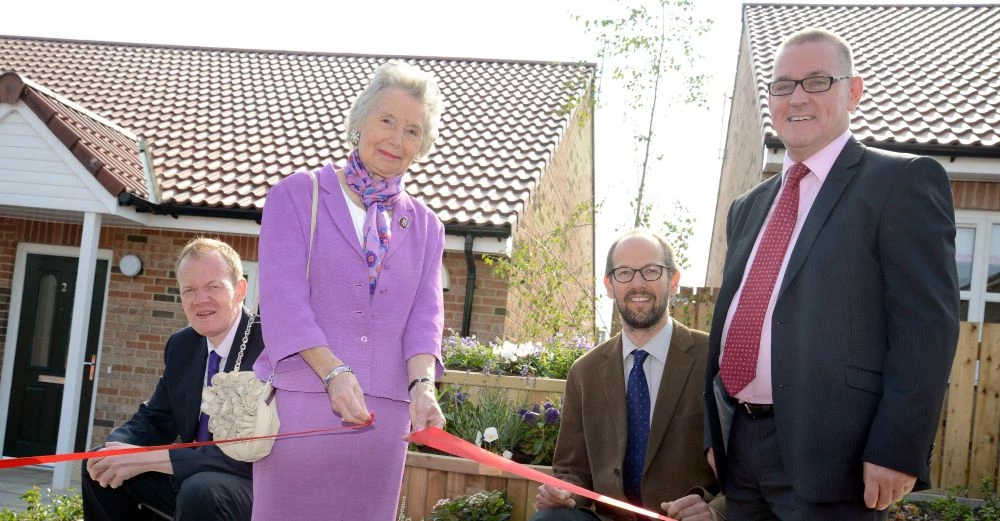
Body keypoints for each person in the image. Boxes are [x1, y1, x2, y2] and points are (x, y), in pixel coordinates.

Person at [704, 28, 960, 520]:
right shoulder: (748, 207)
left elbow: (925, 328)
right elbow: (733, 322)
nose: (797, 97)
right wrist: (716, 435)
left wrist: (897, 447)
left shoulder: (900, 182)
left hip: (835, 459)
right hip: (741, 454)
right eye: (783, 86)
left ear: (854, 92)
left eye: (817, 81)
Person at [252, 60, 446, 521]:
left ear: (423, 145)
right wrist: (334, 373)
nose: (397, 140)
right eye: (387, 121)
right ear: (358, 121)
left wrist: (422, 387)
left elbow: (424, 318)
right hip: (304, 404)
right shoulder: (297, 196)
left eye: (413, 131)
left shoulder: (427, 227)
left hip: (385, 421)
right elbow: (283, 304)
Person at [533, 229, 723, 521]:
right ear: (609, 285)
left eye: (651, 271)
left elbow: (749, 467)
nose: (638, 283)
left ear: (673, 281)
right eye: (624, 273)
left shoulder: (713, 357)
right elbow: (572, 472)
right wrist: (561, 493)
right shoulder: (584, 373)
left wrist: (715, 511)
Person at [82, 238, 262, 520]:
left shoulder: (270, 349)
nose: (200, 299)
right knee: (99, 465)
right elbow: (155, 418)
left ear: (240, 290)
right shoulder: (182, 345)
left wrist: (151, 459)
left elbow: (259, 452)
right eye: (189, 289)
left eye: (213, 286)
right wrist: (116, 448)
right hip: (191, 473)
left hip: (252, 484)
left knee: (200, 489)